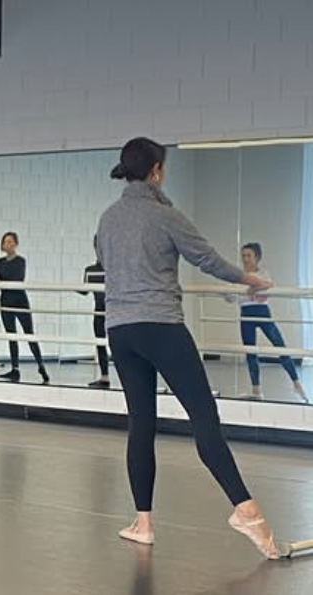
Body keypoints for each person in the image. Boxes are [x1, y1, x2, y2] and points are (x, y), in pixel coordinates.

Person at [98, 137, 279, 559]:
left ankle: (143, 524)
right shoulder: (166, 216)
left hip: (121, 332)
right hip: (160, 326)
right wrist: (251, 279)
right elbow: (207, 258)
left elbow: (104, 259)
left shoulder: (107, 218)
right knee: (203, 416)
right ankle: (246, 510)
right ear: (157, 171)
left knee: (141, 424)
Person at [226, 243, 305, 402]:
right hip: (246, 313)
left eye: (249, 256)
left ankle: (296, 383)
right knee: (251, 352)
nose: (245, 259)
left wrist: (254, 288)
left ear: (257, 258)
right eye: (243, 256)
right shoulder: (238, 275)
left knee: (279, 345)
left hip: (262, 311)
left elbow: (269, 285)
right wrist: (237, 292)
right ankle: (256, 390)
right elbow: (229, 296)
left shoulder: (263, 273)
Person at [0, 232, 49, 384]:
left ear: (16, 244)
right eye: (6, 242)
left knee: (29, 334)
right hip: (5, 301)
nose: (9, 244)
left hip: (20, 301)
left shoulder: (21, 261)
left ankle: (41, 365)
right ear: (2, 245)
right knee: (11, 335)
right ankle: (15, 369)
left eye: (12, 242)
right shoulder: (0, 262)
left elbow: (18, 278)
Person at [78, 235, 110, 388]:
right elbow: (85, 291)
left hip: (116, 311)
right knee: (100, 343)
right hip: (99, 311)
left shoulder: (115, 268)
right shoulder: (90, 270)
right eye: (98, 246)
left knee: (119, 344)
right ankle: (104, 376)